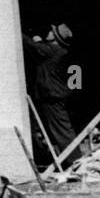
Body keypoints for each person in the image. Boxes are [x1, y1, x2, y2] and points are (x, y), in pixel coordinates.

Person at [22, 23, 77, 167]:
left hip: (52, 97)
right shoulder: (59, 51)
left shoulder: (52, 50)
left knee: (62, 131)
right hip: (53, 96)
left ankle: (76, 162)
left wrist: (15, 30)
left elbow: (29, 44)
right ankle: (67, 160)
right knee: (54, 130)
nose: (49, 32)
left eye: (52, 32)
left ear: (56, 38)